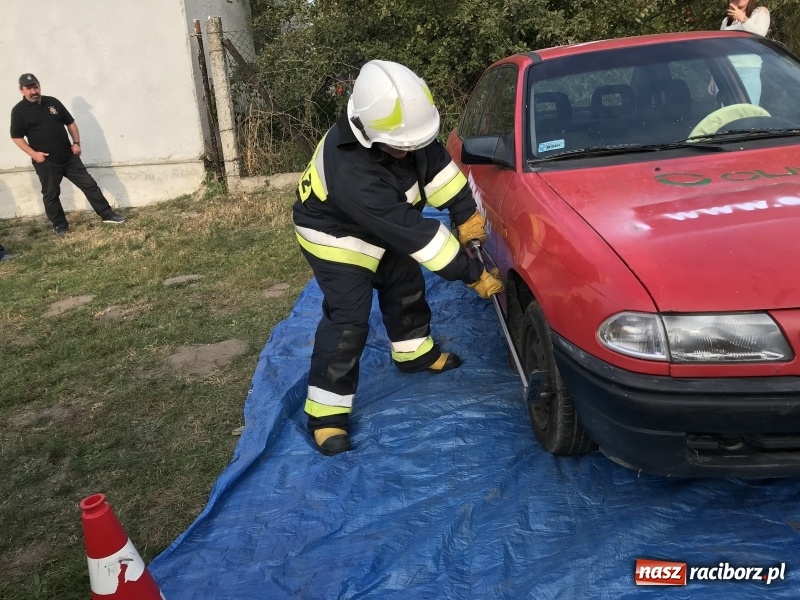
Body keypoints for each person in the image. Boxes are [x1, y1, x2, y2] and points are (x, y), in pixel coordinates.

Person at [293, 59, 503, 456]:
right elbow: (418, 234)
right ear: (368, 136)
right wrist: (471, 271)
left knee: (404, 282)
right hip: (334, 234)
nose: (411, 151)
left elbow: (438, 170)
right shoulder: (352, 171)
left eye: (415, 143)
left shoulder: (402, 131)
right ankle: (326, 415)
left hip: (386, 222)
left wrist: (465, 214)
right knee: (348, 319)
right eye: (403, 146)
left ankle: (414, 354)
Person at [10, 73, 126, 237]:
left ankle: (107, 215)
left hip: (68, 156)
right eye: (29, 88)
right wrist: (34, 154)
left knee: (89, 185)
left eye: (36, 86)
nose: (33, 91)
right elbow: (16, 137)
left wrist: (76, 143)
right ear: (21, 90)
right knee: (51, 195)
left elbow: (69, 122)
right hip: (46, 161)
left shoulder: (53, 102)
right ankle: (60, 225)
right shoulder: (19, 111)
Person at [719, 0, 771, 104]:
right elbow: (720, 49)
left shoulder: (760, 12)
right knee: (726, 113)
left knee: (748, 112)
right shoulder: (726, 21)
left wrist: (742, 18)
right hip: (726, 71)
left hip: (748, 70)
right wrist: (714, 76)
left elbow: (760, 36)